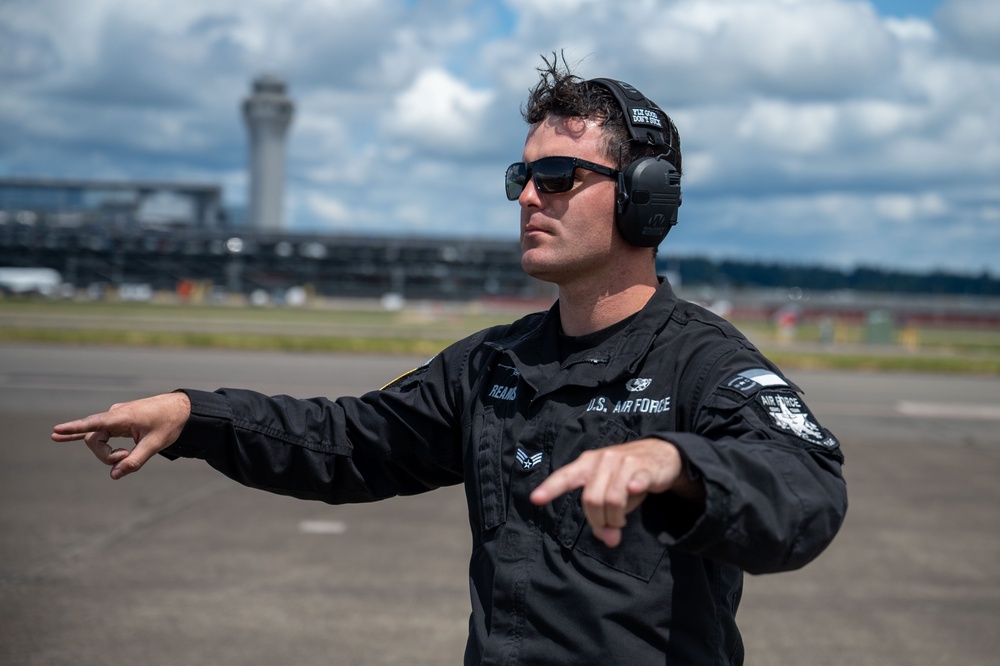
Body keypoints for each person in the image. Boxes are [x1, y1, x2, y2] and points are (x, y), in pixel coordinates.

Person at [52, 57, 847, 665]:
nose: (529, 198)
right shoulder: (494, 365)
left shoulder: (704, 365)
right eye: (521, 177)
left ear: (646, 197)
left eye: (557, 177)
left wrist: (678, 461)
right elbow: (349, 442)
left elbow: (806, 490)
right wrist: (198, 416)